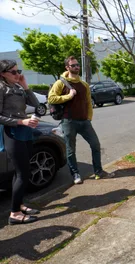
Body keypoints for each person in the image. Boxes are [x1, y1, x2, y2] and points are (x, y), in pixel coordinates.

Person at [48, 56, 114, 185]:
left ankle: (98, 172)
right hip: (69, 121)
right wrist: (69, 96)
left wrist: (89, 117)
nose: (76, 67)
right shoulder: (60, 83)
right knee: (70, 150)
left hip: (84, 122)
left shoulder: (84, 85)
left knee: (95, 145)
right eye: (73, 65)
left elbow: (88, 102)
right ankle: (75, 174)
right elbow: (51, 99)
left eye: (77, 65)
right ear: (67, 67)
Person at [0, 59, 41, 225]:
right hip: (13, 133)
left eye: (19, 71)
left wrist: (25, 86)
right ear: (2, 74)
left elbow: (36, 105)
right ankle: (14, 214)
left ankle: (19, 204)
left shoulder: (17, 86)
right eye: (14, 72)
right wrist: (20, 122)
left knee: (20, 173)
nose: (18, 74)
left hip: (25, 133)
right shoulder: (1, 88)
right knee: (23, 174)